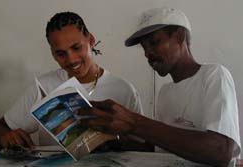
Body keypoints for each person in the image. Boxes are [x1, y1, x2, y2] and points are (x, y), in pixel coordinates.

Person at [78, 7, 241, 167]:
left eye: (154, 42)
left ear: (179, 36)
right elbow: (161, 149)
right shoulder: (165, 92)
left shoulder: (213, 75)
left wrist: (134, 123)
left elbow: (221, 151)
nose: (147, 53)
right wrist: (115, 143)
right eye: (144, 47)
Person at [0, 11, 143, 148]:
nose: (71, 60)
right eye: (61, 54)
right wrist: (6, 137)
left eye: (76, 47)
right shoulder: (44, 86)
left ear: (91, 40)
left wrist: (115, 142)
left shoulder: (123, 90)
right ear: (53, 54)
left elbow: (144, 147)